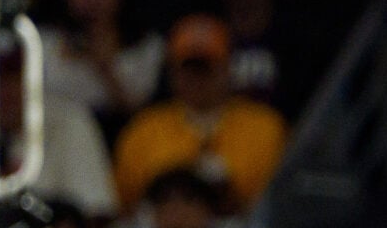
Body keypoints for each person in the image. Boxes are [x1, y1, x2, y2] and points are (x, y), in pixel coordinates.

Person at [110, 15, 289, 211]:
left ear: (227, 69)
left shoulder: (266, 126)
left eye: (205, 68)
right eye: (188, 69)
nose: (196, 79)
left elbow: (279, 200)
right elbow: (125, 203)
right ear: (172, 72)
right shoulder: (144, 129)